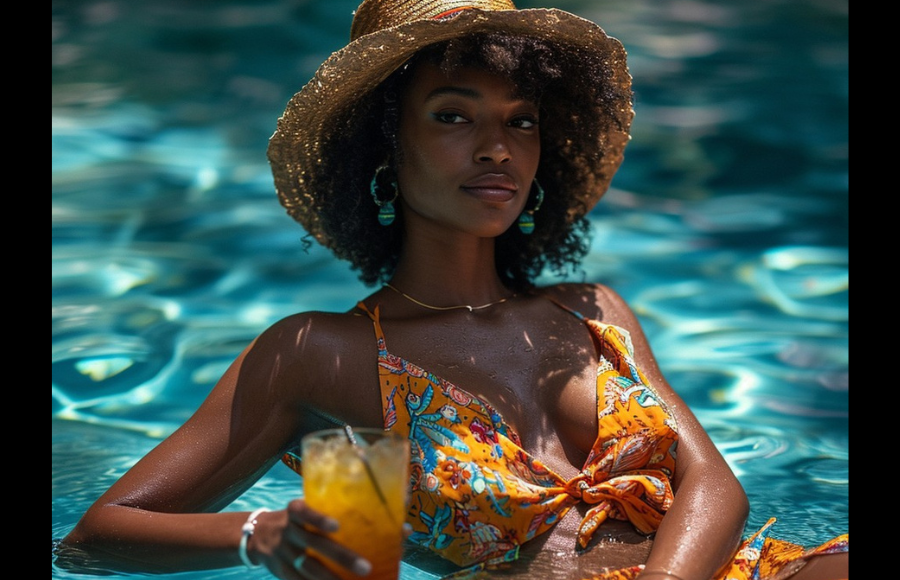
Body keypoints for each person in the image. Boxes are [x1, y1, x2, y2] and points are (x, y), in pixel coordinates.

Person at [54, 1, 849, 579]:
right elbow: (92, 540)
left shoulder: (593, 312)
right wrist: (256, 531)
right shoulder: (320, 356)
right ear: (384, 147)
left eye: (522, 121)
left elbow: (714, 485)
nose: (498, 148)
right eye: (453, 116)